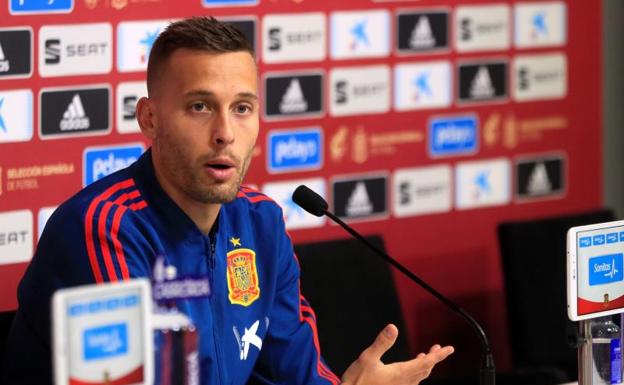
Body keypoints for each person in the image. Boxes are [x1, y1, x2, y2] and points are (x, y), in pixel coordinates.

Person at [1, 17, 453, 385]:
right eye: (200, 106)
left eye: (242, 108)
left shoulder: (260, 221)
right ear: (150, 118)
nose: (225, 133)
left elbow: (293, 374)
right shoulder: (104, 229)